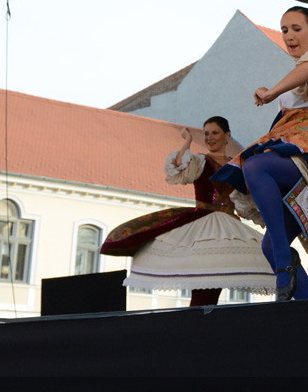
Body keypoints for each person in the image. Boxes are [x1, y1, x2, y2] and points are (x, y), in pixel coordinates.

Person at [212, 7, 308, 300]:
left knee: (256, 166)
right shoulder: (297, 73)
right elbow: (300, 78)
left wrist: (271, 92)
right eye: (284, 30)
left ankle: (285, 261)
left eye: (297, 29)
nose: (289, 36)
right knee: (269, 246)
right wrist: (273, 91)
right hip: (299, 159)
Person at [102, 117, 273, 306]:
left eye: (215, 133)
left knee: (215, 282)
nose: (209, 138)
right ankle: (196, 318)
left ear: (227, 135)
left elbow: (246, 198)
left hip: (228, 226)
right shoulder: (200, 161)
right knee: (204, 282)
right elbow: (177, 164)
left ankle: (201, 318)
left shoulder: (236, 165)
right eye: (206, 133)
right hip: (205, 223)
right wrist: (188, 141)